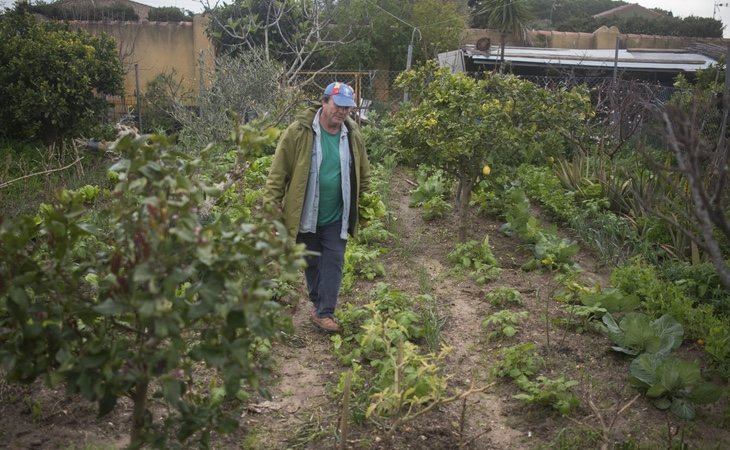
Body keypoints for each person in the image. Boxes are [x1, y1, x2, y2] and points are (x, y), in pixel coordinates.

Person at [264, 82, 371, 333]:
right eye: (338, 106)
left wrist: (364, 201)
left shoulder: (352, 133)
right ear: (324, 102)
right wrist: (271, 210)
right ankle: (316, 302)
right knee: (311, 261)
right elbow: (277, 175)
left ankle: (325, 312)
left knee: (333, 260)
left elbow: (363, 171)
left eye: (347, 108)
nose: (342, 112)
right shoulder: (298, 132)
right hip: (305, 214)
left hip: (337, 214)